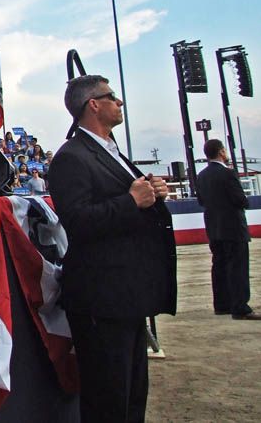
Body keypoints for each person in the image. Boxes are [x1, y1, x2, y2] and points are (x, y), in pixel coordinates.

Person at [48, 75, 176, 422]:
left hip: (127, 293)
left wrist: (150, 192)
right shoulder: (71, 157)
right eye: (112, 97)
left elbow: (125, 197)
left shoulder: (111, 151)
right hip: (101, 298)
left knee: (132, 394)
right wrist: (132, 201)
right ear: (93, 105)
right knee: (109, 396)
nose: (119, 103)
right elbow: (77, 220)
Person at [196, 138, 257, 320]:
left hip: (214, 227)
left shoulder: (202, 175)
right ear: (222, 152)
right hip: (233, 226)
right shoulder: (228, 174)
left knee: (219, 265)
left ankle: (222, 304)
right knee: (237, 266)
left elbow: (201, 201)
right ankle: (240, 307)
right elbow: (240, 200)